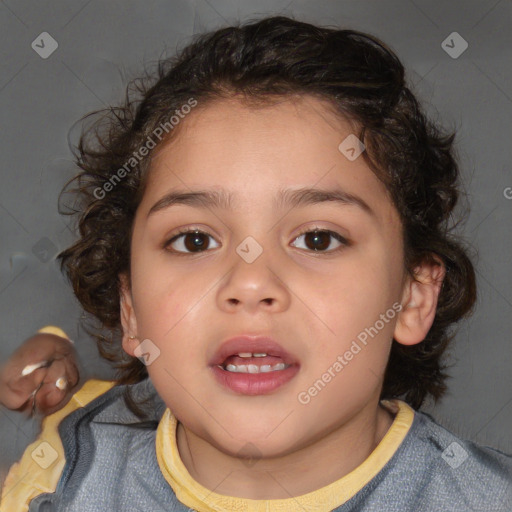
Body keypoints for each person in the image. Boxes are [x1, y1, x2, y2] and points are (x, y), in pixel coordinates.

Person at [1, 15, 511, 512]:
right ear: (130, 307)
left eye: (317, 239)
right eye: (195, 241)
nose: (250, 283)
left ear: (412, 297)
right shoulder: (61, 479)